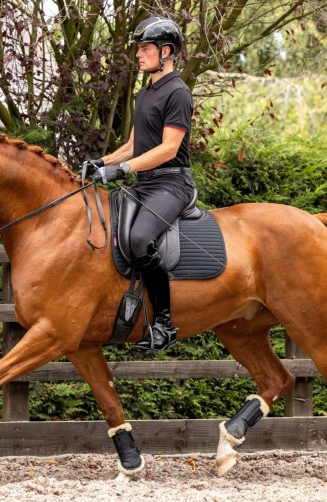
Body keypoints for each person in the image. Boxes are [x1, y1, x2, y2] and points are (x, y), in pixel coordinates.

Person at [86, 17, 195, 352]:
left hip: (172, 185)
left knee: (138, 237)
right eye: (139, 49)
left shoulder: (177, 93)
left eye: (145, 48)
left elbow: (168, 149)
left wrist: (123, 170)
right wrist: (103, 163)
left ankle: (164, 322)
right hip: (146, 184)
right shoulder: (145, 92)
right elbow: (134, 144)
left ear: (166, 51)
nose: (138, 55)